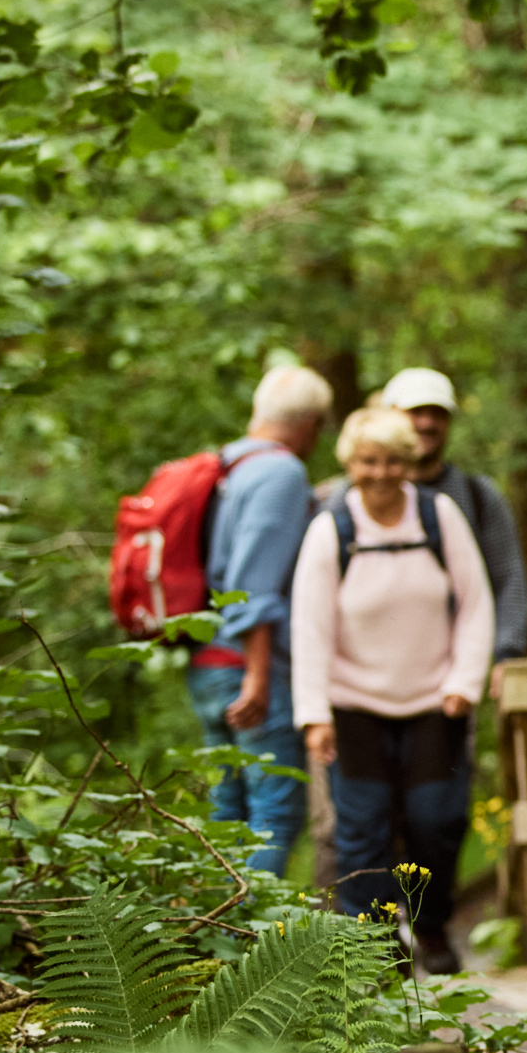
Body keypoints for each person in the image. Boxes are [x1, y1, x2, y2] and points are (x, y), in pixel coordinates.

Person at [292, 406, 494, 973]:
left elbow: (476, 603)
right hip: (354, 705)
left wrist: (464, 680)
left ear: (410, 463)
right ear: (350, 463)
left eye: (392, 461)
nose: (380, 473)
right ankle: (375, 947)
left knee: (437, 819)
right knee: (362, 830)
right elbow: (309, 626)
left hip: (435, 701)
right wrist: (314, 715)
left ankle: (429, 927)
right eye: (368, 461)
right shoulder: (332, 526)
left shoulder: (439, 515)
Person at [187, 363, 330, 872]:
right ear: (310, 421)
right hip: (248, 668)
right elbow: (252, 584)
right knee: (274, 814)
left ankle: (218, 939)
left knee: (227, 814)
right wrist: (259, 675)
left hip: (206, 662)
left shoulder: (230, 465)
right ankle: (250, 945)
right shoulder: (281, 472)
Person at [377, 367, 527, 676]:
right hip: (365, 676)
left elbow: (508, 577)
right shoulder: (350, 498)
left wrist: (507, 654)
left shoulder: (478, 497)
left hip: (450, 675)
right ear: (389, 416)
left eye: (438, 414)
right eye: (416, 412)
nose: (427, 423)